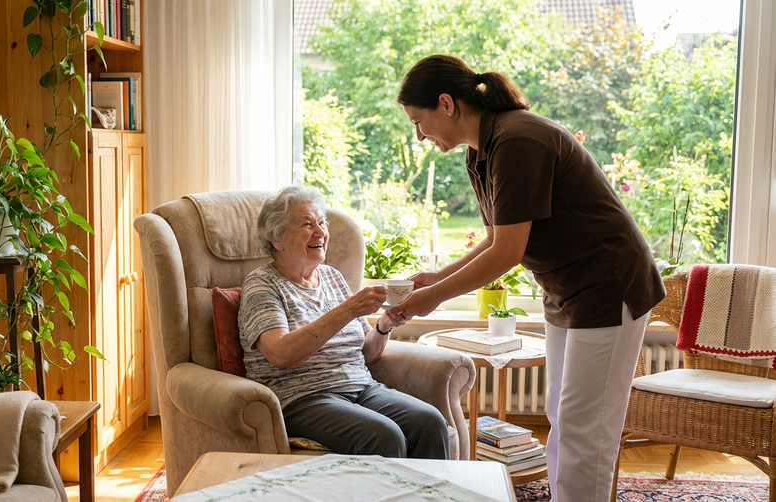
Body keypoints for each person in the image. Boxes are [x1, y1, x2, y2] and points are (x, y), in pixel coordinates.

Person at [388, 55, 665, 501]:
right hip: (566, 290)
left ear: (446, 104)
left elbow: (507, 253)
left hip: (609, 285)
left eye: (419, 122)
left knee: (585, 428)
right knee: (561, 413)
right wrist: (439, 276)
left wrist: (433, 297)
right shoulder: (482, 151)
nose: (419, 135)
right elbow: (499, 235)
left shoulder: (519, 139)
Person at [237, 185, 450, 459]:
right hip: (302, 398)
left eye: (322, 223)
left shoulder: (332, 278)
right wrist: (348, 309)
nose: (321, 232)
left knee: (429, 422)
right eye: (307, 224)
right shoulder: (262, 285)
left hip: (360, 387)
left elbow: (367, 352)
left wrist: (385, 324)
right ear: (276, 239)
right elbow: (281, 354)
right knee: (383, 436)